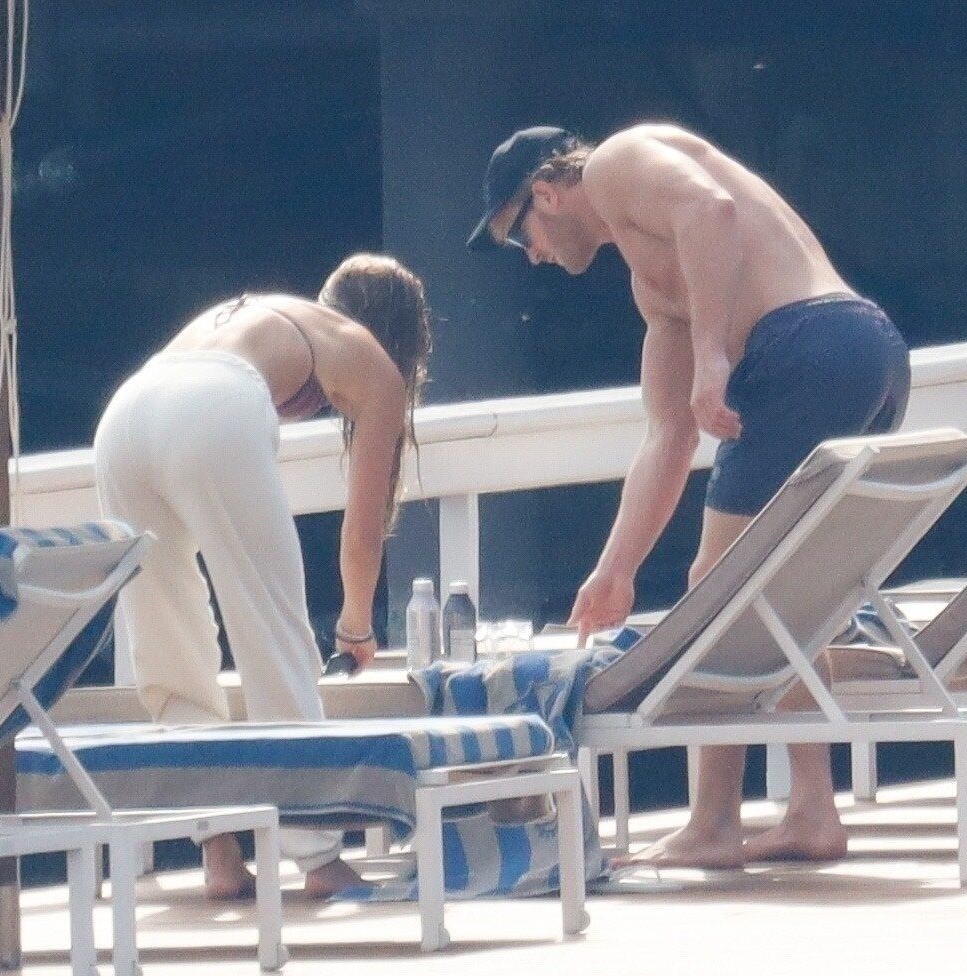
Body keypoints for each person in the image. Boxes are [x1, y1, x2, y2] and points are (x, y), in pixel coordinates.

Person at [468, 124, 910, 869]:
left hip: (804, 343)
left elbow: (713, 209)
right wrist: (615, 569)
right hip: (868, 352)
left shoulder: (615, 163)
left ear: (546, 194)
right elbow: (668, 436)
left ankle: (712, 825)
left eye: (520, 235)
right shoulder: (654, 284)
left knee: (717, 587)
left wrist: (712, 357)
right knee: (778, 590)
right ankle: (812, 812)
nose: (532, 256)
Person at [93, 253, 431, 897]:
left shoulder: (266, 312)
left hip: (124, 418)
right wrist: (355, 623)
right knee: (273, 637)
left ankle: (218, 854)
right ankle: (318, 858)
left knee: (171, 653)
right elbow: (362, 530)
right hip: (210, 405)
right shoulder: (372, 362)